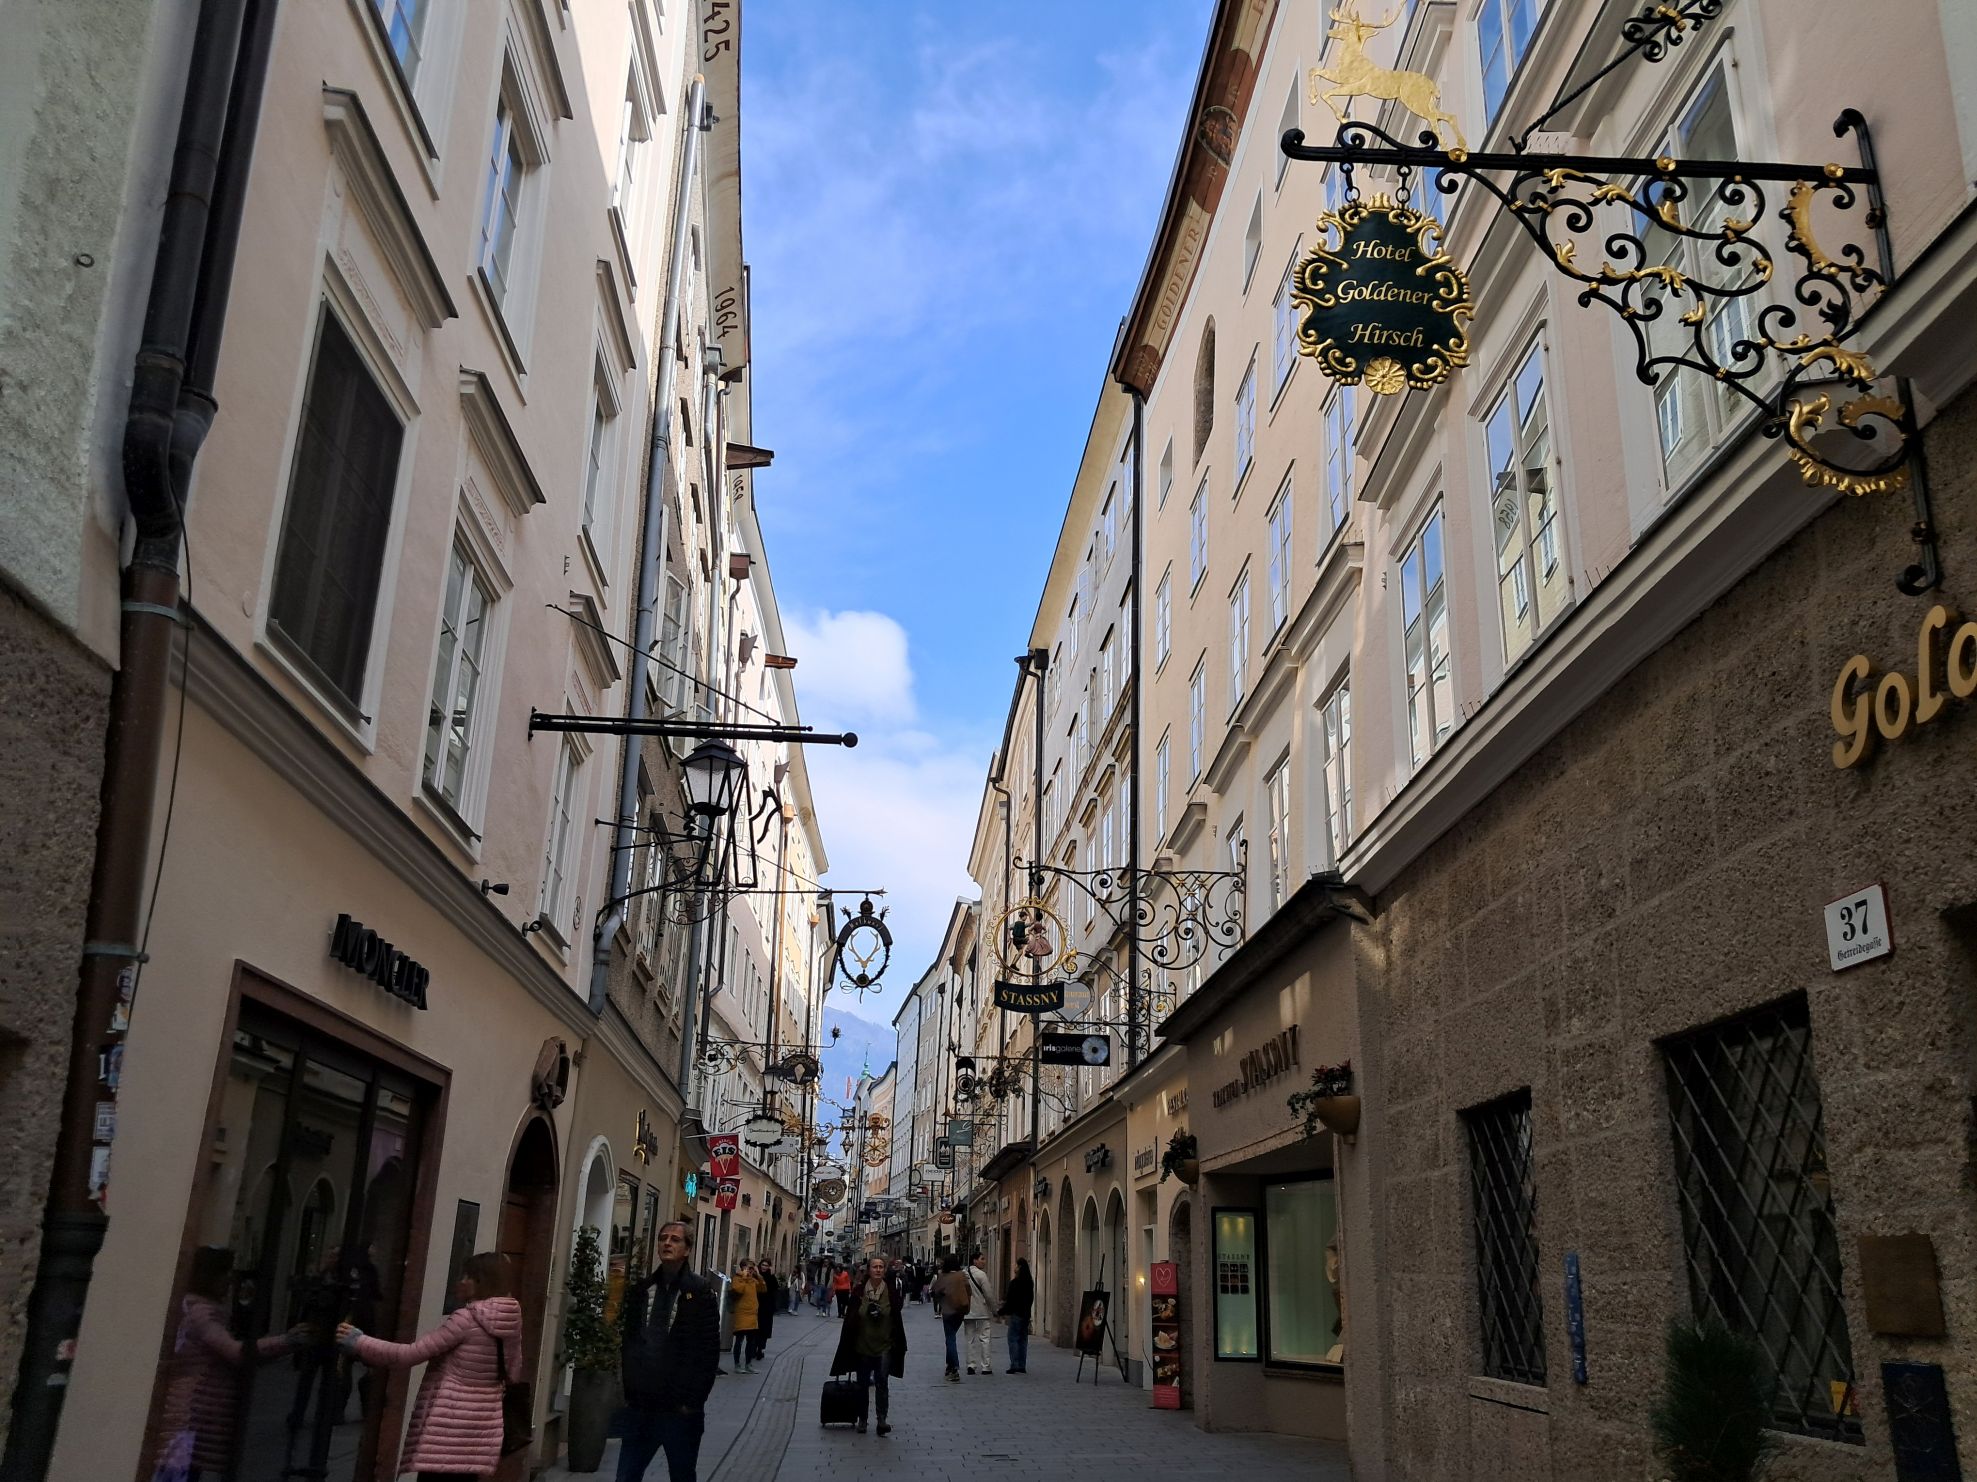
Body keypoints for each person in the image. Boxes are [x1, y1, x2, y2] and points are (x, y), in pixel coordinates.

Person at [337, 1251, 522, 1482]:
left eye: (468, 1276)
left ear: (481, 1282)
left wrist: (358, 1341)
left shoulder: (465, 1319)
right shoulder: (511, 1321)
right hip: (480, 1429)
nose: (461, 1281)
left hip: (447, 1430)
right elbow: (513, 1372)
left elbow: (409, 1355)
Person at [153, 1247, 312, 1479]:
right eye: (224, 1273)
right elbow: (235, 1353)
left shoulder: (193, 1308)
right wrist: (288, 1341)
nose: (230, 1280)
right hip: (194, 1410)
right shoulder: (202, 1313)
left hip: (190, 1410)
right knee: (179, 1472)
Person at [616, 1220, 721, 1482]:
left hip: (679, 1409)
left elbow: (708, 1351)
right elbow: (629, 1341)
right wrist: (630, 1388)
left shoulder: (699, 1291)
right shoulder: (642, 1290)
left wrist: (692, 1402)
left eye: (675, 1239)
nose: (667, 1243)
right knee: (626, 1475)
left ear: (687, 1249)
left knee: (682, 1475)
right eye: (663, 1238)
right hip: (642, 1405)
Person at [830, 1256, 906, 1436]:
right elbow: (852, 1317)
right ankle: (862, 1420)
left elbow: (895, 1316)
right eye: (875, 1267)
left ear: (885, 1270)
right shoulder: (858, 1291)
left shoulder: (891, 1292)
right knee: (862, 1385)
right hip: (862, 1345)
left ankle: (881, 1420)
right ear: (869, 1270)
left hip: (885, 1345)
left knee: (882, 1383)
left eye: (881, 1267)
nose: (878, 1270)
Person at [726, 1260, 764, 1374]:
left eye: (752, 1268)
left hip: (752, 1315)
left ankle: (748, 1364)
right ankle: (737, 1365)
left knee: (751, 1341)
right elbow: (738, 1290)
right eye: (749, 1268)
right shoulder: (737, 1279)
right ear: (743, 1268)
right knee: (739, 1340)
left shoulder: (753, 1280)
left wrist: (758, 1275)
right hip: (742, 1314)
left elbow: (763, 1288)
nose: (751, 1270)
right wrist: (744, 1277)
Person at [961, 1253, 995, 1377]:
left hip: (968, 1311)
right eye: (982, 1259)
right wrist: (994, 1309)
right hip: (982, 1311)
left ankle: (971, 1365)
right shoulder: (981, 1275)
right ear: (974, 1260)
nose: (984, 1261)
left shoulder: (963, 1274)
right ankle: (986, 1366)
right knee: (985, 1339)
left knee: (969, 1339)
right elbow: (989, 1294)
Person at [999, 1257, 1034, 1374]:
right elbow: (1030, 1300)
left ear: (1019, 1267)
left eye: (1016, 1265)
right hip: (1025, 1315)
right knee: (1023, 1340)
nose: (1014, 1267)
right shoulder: (1030, 1282)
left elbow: (1010, 1301)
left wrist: (1001, 1312)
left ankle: (1014, 1364)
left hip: (1016, 1315)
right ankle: (1022, 1365)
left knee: (1013, 1339)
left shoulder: (1014, 1283)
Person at [934, 1256, 966, 1381]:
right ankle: (949, 1366)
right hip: (960, 1311)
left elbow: (936, 1291)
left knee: (950, 1338)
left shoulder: (944, 1276)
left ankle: (954, 1367)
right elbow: (968, 1291)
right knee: (951, 1337)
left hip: (948, 1311)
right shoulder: (962, 1275)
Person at [750, 1261, 780, 1367]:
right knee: (754, 1328)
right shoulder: (754, 1276)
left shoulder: (771, 1277)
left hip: (767, 1307)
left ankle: (760, 1348)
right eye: (763, 1265)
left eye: (766, 1266)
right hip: (756, 1304)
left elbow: (775, 1290)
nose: (764, 1267)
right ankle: (753, 1348)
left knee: (764, 1329)